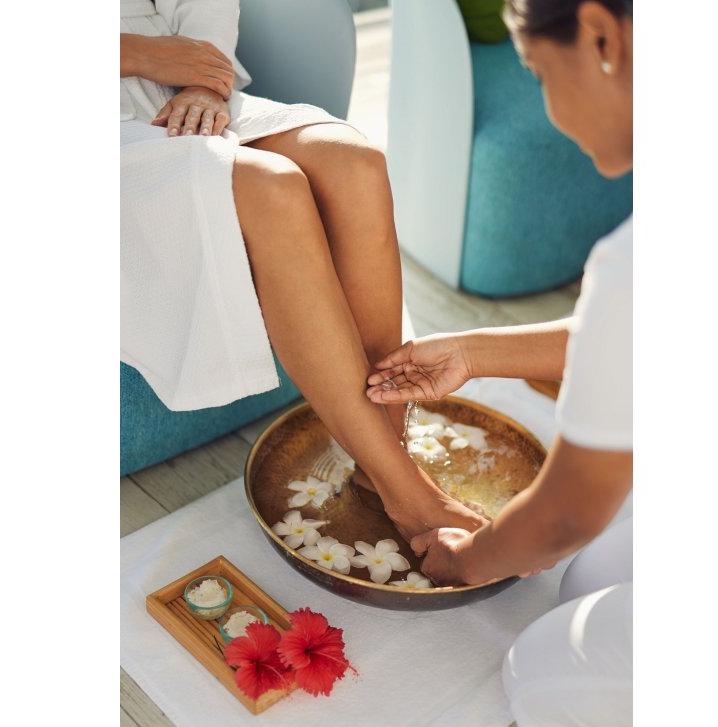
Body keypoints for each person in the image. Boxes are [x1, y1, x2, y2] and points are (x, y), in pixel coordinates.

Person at [365, 1, 633, 727]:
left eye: (538, 73)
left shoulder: (631, 262)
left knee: (537, 680)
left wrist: (467, 558)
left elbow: (564, 516)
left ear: (602, 36)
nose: (547, 106)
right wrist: (475, 352)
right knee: (587, 585)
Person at [120, 0, 484, 538]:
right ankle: (407, 494)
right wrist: (137, 53)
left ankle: (381, 466)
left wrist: (203, 78)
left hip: (177, 83)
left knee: (355, 163)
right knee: (274, 189)